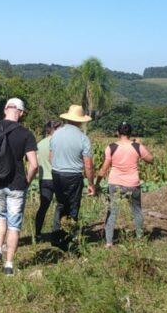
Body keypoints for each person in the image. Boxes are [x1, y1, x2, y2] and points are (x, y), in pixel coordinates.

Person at [0, 98, 38, 276]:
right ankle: (9, 265)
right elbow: (34, 164)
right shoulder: (26, 134)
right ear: (20, 113)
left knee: (0, 216)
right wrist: (27, 181)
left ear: (5, 109)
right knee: (14, 225)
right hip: (16, 184)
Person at [95, 122, 154, 247]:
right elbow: (151, 160)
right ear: (130, 133)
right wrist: (140, 144)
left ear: (117, 132)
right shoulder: (137, 146)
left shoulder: (111, 147)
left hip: (115, 183)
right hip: (133, 183)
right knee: (137, 211)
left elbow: (104, 168)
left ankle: (109, 242)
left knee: (112, 212)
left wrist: (97, 183)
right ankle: (139, 239)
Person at [49, 105, 95, 247]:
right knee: (73, 206)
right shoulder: (83, 138)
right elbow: (88, 164)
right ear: (81, 121)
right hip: (73, 175)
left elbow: (51, 157)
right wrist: (91, 184)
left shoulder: (56, 134)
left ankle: (56, 234)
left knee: (61, 204)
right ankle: (69, 236)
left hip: (57, 173)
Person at [34, 120, 62, 241]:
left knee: (43, 207)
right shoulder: (59, 143)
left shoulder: (40, 144)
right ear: (55, 129)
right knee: (60, 206)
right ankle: (57, 232)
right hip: (57, 178)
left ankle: (38, 234)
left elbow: (36, 161)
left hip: (44, 179)